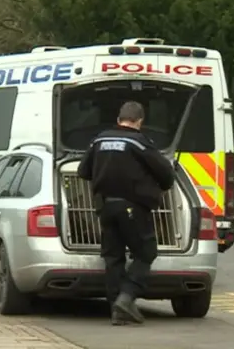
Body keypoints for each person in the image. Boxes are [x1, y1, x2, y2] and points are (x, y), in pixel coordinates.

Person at [77, 101, 175, 325]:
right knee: (145, 252)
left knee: (113, 257)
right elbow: (166, 174)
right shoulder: (139, 142)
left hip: (105, 207)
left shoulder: (99, 140)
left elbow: (83, 171)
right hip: (132, 207)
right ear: (139, 121)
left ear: (119, 119)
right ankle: (127, 296)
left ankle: (117, 310)